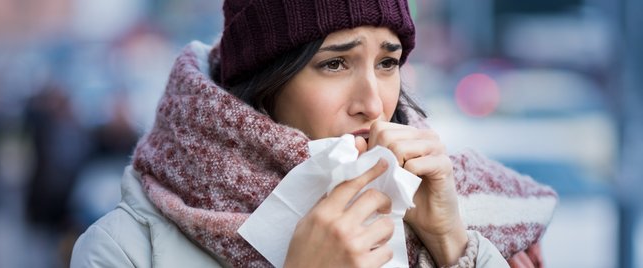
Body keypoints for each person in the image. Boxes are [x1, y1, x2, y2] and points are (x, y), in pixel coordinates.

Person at [71, 1, 557, 267]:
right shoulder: (126, 250)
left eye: (387, 62)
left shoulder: (460, 211)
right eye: (335, 63)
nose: (372, 101)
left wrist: (455, 244)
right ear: (266, 82)